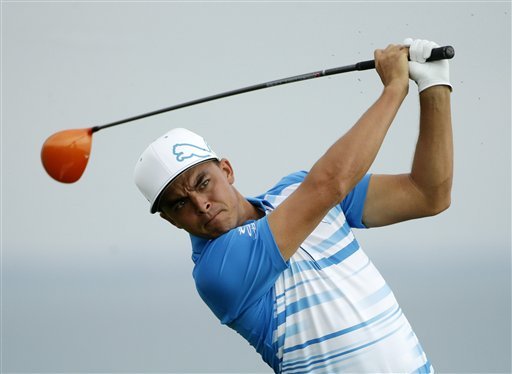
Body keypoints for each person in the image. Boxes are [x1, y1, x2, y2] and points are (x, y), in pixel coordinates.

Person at [133, 38, 453, 373]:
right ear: (170, 220)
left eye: (203, 182)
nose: (201, 204)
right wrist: (394, 89)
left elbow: (428, 194)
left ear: (226, 170)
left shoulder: (297, 191)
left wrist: (434, 85)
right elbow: (329, 184)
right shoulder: (217, 270)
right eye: (181, 203)